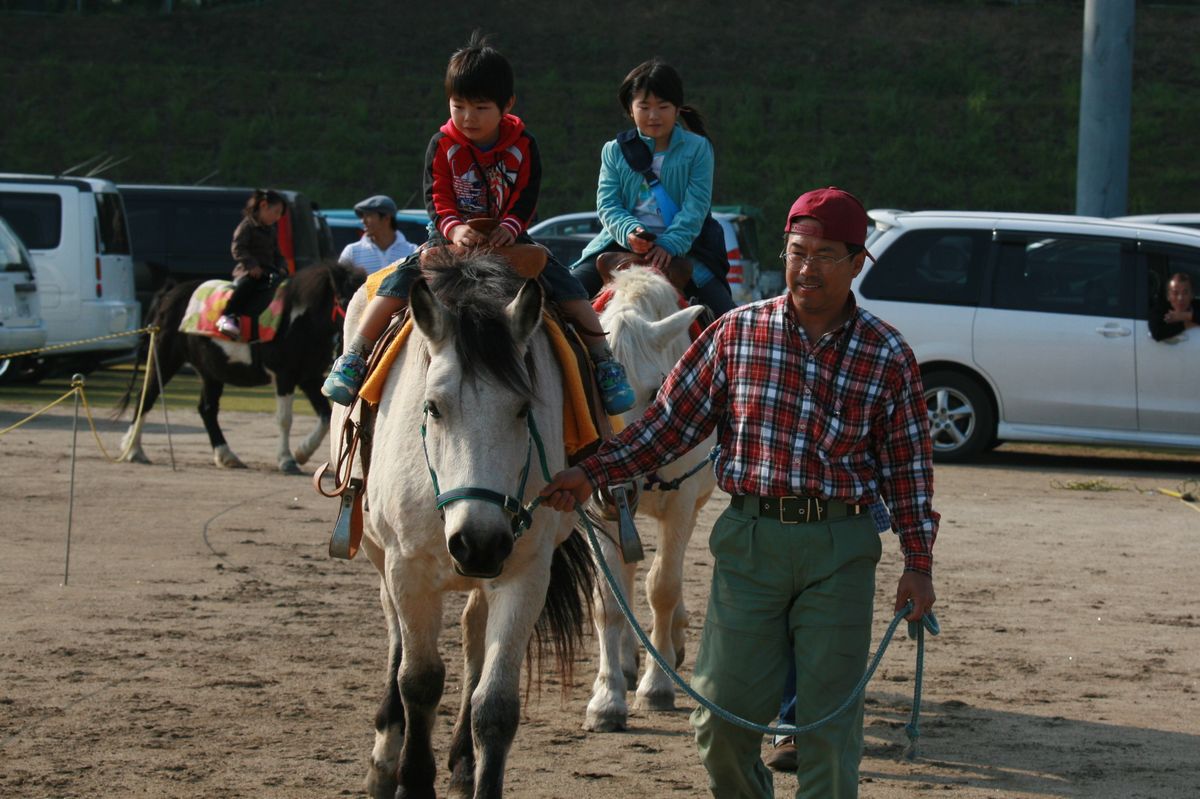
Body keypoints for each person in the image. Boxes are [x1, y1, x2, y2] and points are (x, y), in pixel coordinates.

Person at [541, 186, 940, 798]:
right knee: (719, 722)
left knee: (828, 731)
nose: (807, 267)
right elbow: (667, 424)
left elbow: (909, 467)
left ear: (858, 261)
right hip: (751, 540)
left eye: (826, 255)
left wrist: (919, 561)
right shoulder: (736, 334)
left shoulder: (887, 354)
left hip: (841, 547)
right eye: (797, 251)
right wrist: (592, 471)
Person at [321, 33, 635, 414]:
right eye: (459, 106)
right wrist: (454, 229)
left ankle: (605, 362)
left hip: (509, 237)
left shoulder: (524, 145)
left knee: (568, 288)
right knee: (395, 284)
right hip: (452, 235)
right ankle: (355, 355)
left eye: (481, 107)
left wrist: (512, 226)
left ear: (507, 105)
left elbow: (526, 195)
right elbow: (436, 196)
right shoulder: (442, 144)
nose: (468, 117)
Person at [571, 59, 736, 317]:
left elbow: (697, 207)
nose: (653, 115)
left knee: (729, 319)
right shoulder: (614, 151)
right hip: (620, 244)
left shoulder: (698, 148)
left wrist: (669, 244)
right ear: (630, 108)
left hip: (686, 249)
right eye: (644, 106)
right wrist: (630, 232)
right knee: (564, 296)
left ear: (677, 108)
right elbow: (608, 204)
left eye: (663, 106)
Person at [765, 499, 893, 774]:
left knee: (816, 630)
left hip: (838, 520)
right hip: (758, 517)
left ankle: (792, 725)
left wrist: (919, 562)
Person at [217, 189, 288, 340]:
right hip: (248, 271)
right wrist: (252, 265)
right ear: (263, 205)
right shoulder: (247, 226)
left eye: (280, 214)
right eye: (276, 212)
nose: (278, 217)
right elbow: (238, 248)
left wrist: (282, 266)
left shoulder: (271, 230)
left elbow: (277, 252)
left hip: (269, 272)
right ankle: (228, 315)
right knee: (248, 284)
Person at [337, 194, 418, 276]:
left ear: (386, 218)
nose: (363, 221)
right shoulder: (352, 252)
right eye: (362, 217)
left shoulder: (412, 252)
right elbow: (339, 284)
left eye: (368, 216)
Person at [1149, 271, 1200, 342]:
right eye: (1175, 293)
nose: (1180, 298)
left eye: (1185, 293)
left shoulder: (1197, 305)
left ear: (1192, 295)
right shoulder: (1160, 309)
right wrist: (1186, 324)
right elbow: (1157, 333)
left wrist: (1185, 316)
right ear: (1168, 296)